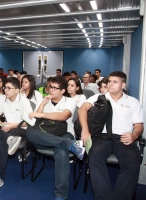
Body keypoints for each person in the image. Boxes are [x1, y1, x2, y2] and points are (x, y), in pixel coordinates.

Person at [78, 71, 144, 200]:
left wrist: (134, 135)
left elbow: (139, 126)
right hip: (102, 137)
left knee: (132, 161)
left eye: (115, 82)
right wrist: (85, 130)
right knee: (95, 158)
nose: (110, 84)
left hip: (123, 137)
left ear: (123, 85)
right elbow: (82, 109)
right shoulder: (99, 98)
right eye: (109, 82)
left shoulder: (133, 102)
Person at [26, 76, 85, 200]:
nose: (50, 90)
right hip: (46, 135)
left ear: (63, 91)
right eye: (49, 87)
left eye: (54, 88)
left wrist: (40, 114)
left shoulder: (70, 101)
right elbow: (36, 119)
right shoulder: (45, 99)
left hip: (64, 133)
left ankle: (60, 195)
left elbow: (63, 116)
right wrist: (42, 103)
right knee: (30, 132)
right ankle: (70, 145)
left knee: (62, 154)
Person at [0, 77, 33, 192]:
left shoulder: (24, 101)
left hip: (20, 128)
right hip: (6, 129)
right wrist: (1, 123)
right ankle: (10, 139)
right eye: (5, 87)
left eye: (9, 88)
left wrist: (12, 125)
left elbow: (29, 121)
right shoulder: (2, 98)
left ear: (17, 90)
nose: (6, 90)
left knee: (2, 142)